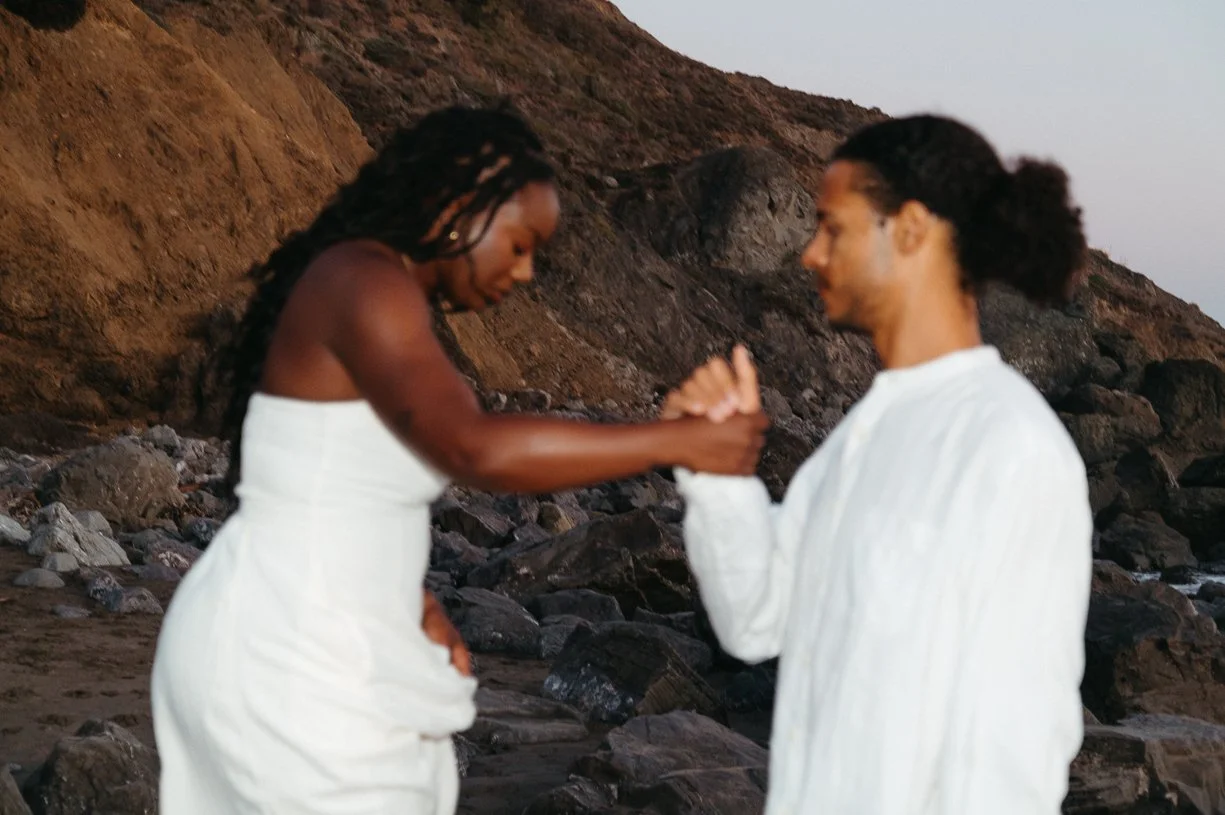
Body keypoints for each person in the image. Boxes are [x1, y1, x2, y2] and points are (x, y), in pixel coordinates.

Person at [149, 105, 768, 815]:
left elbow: (317, 483)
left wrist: (405, 601)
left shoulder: (374, 287)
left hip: (310, 631)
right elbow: (472, 445)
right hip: (284, 653)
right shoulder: (368, 282)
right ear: (454, 209)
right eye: (521, 243)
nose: (525, 271)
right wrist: (674, 441)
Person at [663, 115, 1093, 813]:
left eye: (833, 228)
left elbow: (1010, 755)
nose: (810, 254)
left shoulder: (1009, 445)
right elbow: (754, 620)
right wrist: (718, 474)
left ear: (911, 229)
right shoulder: (858, 439)